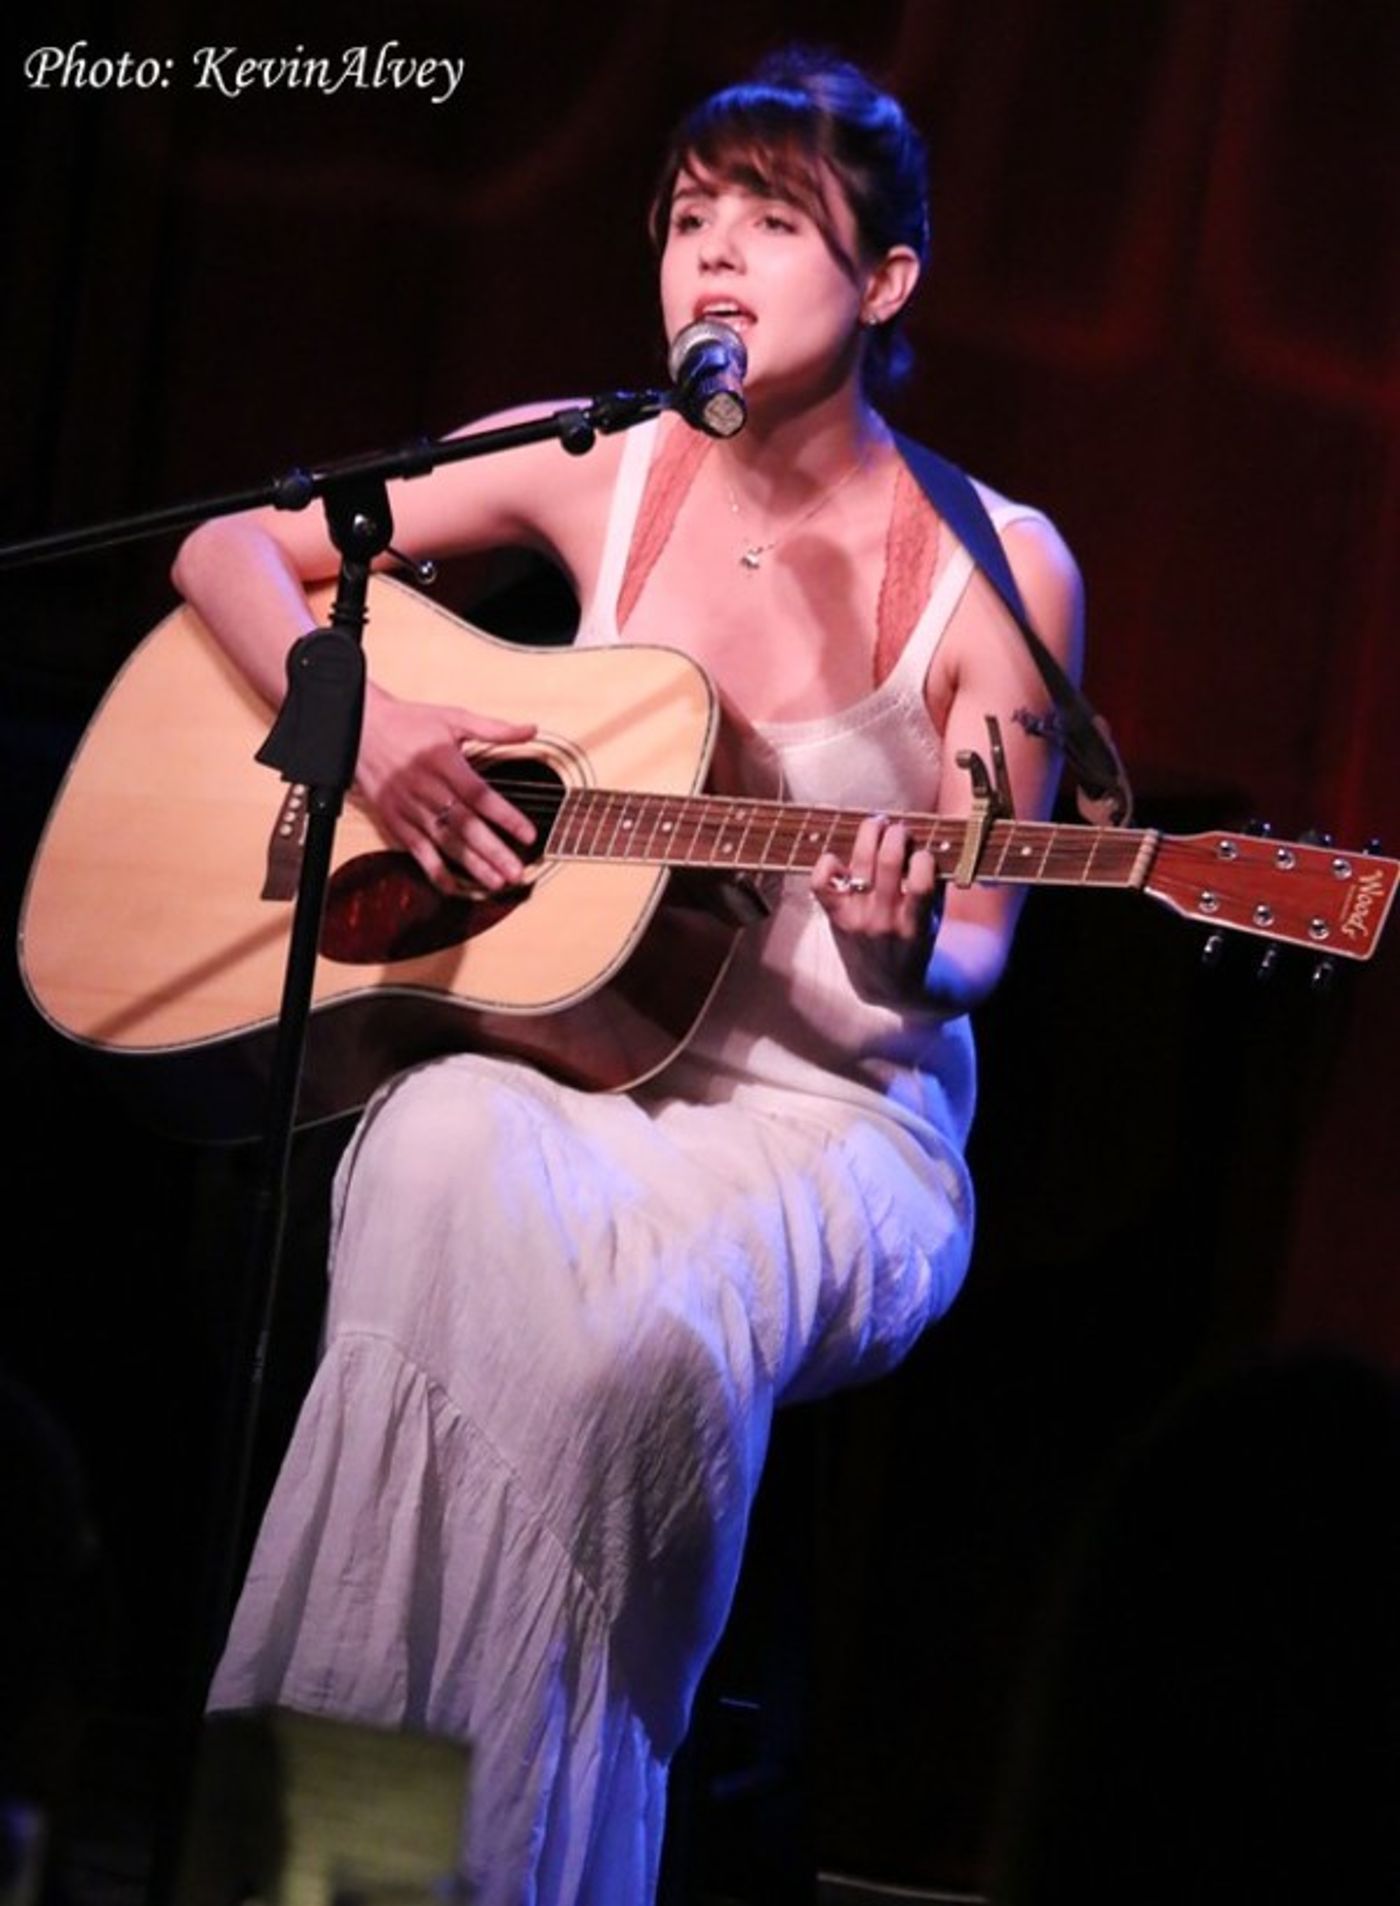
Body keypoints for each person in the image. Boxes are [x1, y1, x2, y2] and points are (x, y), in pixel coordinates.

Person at [171, 48, 1083, 1906]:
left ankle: (511, 1865)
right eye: (686, 221)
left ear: (888, 280)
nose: (712, 262)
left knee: (608, 1349)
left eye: (770, 220)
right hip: (591, 1062)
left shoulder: (1001, 570)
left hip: (826, 1127)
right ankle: (327, 1870)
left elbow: (969, 949)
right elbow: (222, 551)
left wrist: (906, 937)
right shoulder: (611, 466)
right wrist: (367, 727)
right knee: (423, 1156)